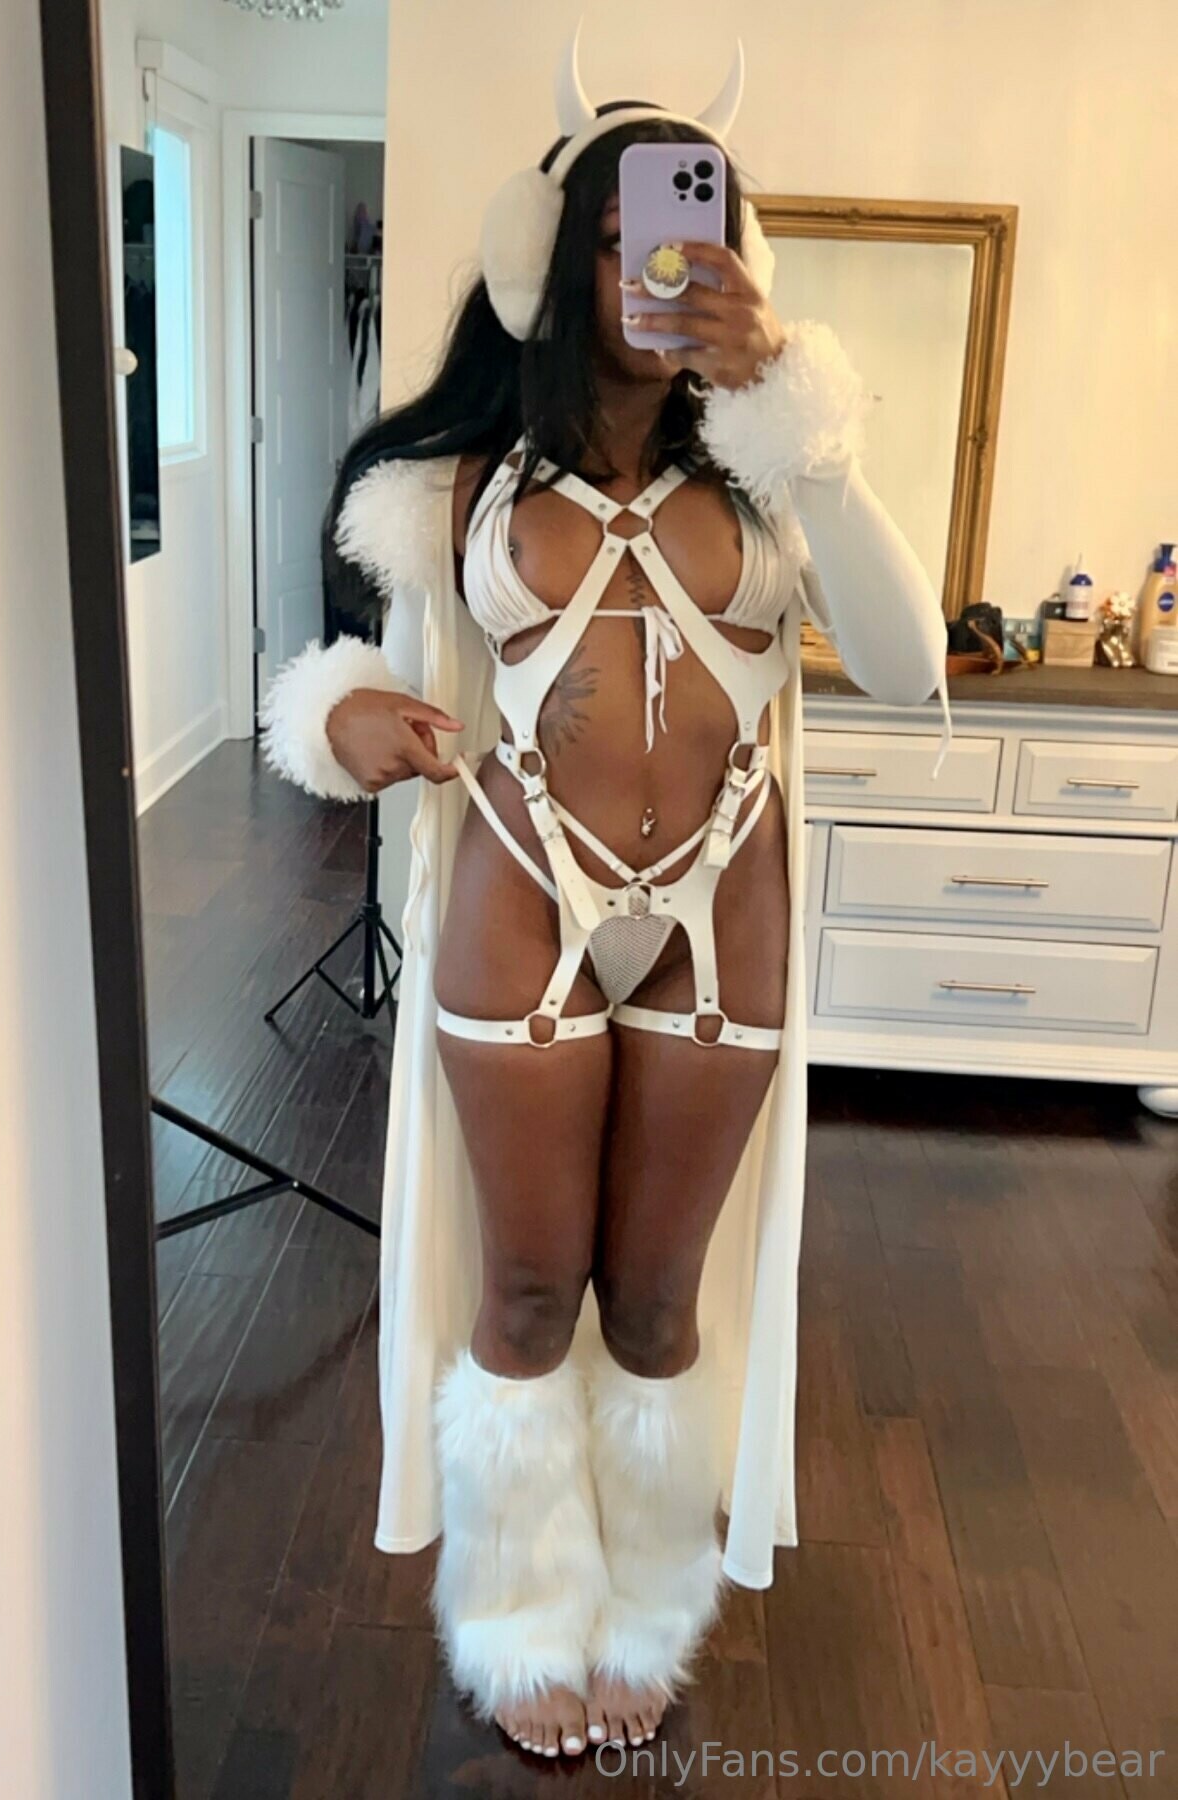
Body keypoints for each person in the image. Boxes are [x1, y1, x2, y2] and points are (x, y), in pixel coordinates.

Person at [261, 32, 950, 1763]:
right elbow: (365, 676)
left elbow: (905, 664)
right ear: (556, 261)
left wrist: (794, 402)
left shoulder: (778, 473)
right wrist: (349, 724)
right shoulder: (456, 483)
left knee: (653, 1300)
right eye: (627, 238)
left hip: (723, 904)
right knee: (521, 1293)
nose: (662, 268)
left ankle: (645, 1611)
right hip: (523, 893)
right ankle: (513, 1625)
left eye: (695, 232)